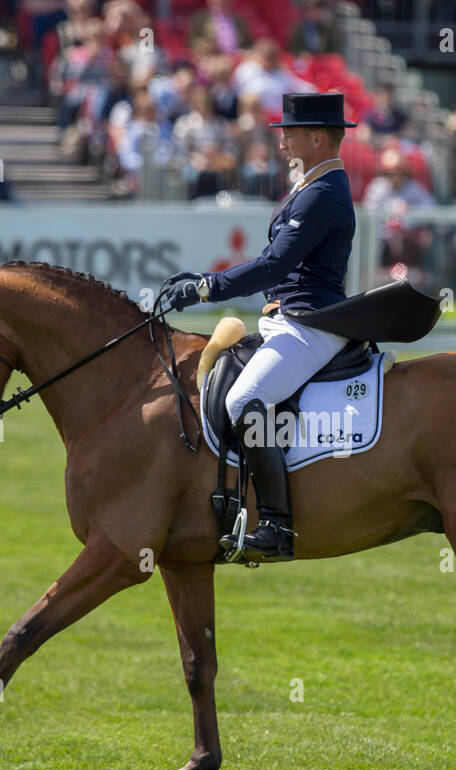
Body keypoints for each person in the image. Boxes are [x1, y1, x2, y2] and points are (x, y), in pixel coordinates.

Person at [163, 93, 358, 562]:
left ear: (316, 137)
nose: (283, 139)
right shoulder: (310, 186)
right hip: (289, 318)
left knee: (244, 399)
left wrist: (208, 288)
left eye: (290, 132)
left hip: (311, 325)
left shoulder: (323, 194)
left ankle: (277, 525)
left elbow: (274, 265)